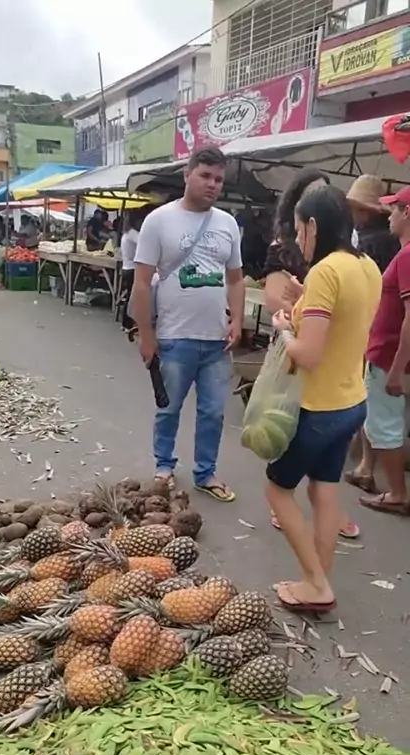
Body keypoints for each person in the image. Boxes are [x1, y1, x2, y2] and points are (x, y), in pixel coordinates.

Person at [266, 186, 381, 612]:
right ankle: (318, 578)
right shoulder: (366, 266)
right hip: (352, 402)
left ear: (313, 225)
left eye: (299, 230)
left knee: (278, 491)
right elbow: (345, 320)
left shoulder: (326, 271)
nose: (298, 240)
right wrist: (304, 300)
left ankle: (316, 583)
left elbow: (308, 354)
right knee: (325, 491)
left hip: (317, 408)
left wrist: (284, 329)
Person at [132, 146, 245, 501]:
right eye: (205, 176)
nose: (212, 184)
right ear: (187, 174)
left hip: (217, 341)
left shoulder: (227, 224)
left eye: (218, 179)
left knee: (213, 413)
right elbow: (141, 283)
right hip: (174, 336)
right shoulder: (159, 221)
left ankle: (205, 473)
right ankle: (164, 467)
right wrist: (146, 336)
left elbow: (236, 279)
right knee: (169, 408)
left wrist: (238, 320)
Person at [263, 168, 360, 539]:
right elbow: (274, 299)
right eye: (312, 193)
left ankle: (322, 507)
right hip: (295, 345)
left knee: (324, 441)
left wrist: (315, 306)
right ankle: (284, 501)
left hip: (331, 351)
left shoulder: (344, 252)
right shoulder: (284, 246)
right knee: (288, 427)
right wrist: (307, 311)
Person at [352, 185, 410, 516]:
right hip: (390, 355)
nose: (389, 215)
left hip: (388, 357)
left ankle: (398, 494)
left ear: (407, 213)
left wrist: (397, 367)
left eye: (395, 208)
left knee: (383, 426)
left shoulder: (408, 256)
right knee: (389, 423)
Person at [344, 175, 400, 496]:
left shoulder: (369, 243)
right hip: (384, 330)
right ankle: (365, 463)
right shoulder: (390, 241)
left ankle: (368, 467)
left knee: (370, 398)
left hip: (372, 328)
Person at [120, 209, 144, 331]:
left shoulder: (126, 234)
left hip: (126, 268)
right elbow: (144, 243)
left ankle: (125, 323)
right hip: (132, 269)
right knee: (132, 297)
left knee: (129, 296)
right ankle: (128, 323)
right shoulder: (132, 234)